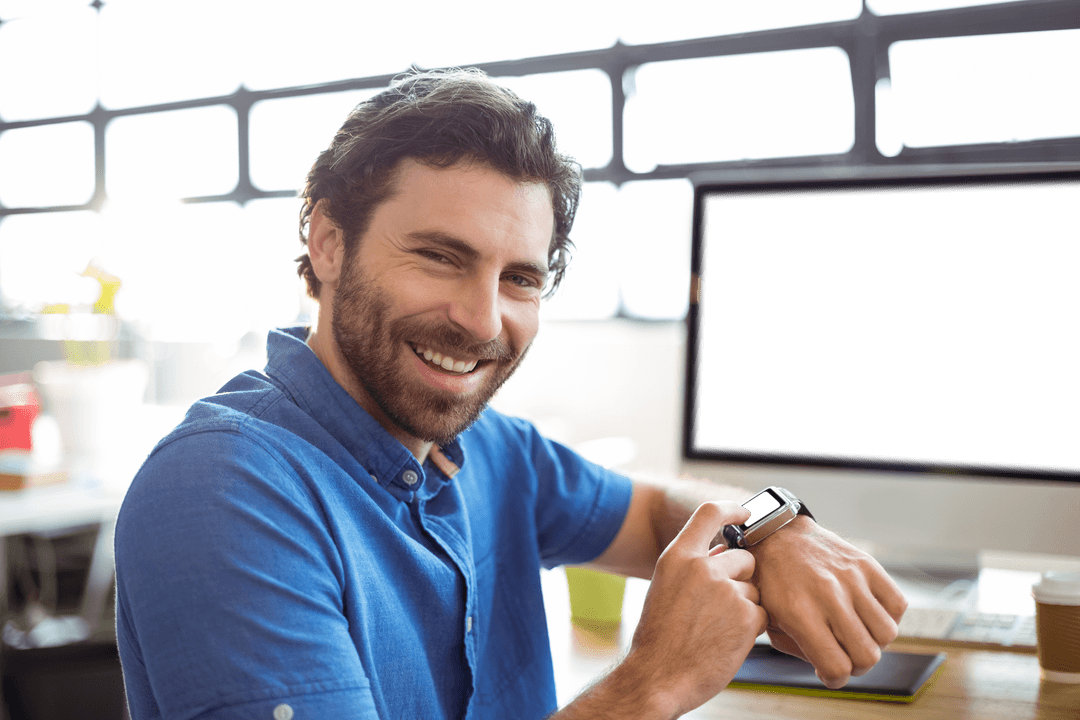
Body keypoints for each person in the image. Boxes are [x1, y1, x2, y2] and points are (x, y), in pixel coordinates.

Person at [113, 68, 906, 720]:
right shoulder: (222, 489)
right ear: (327, 242)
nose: (483, 319)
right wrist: (651, 684)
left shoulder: (492, 449)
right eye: (439, 256)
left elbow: (657, 516)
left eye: (520, 278)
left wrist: (778, 528)